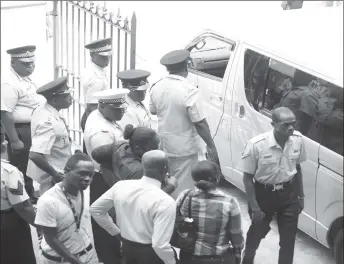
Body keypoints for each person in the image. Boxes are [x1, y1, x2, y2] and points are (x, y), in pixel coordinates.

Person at [238, 107, 308, 264]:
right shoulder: (256, 145)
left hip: (289, 194)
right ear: (273, 124)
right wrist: (255, 207)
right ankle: (247, 258)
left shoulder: (298, 140)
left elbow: (297, 168)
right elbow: (247, 178)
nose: (291, 128)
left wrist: (301, 196)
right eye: (285, 125)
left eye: (293, 124)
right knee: (257, 232)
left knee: (288, 240)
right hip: (264, 195)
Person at [150, 49, 219, 199]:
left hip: (165, 142)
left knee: (168, 178)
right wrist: (211, 145)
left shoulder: (156, 86)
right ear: (186, 66)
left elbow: (153, 110)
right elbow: (200, 122)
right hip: (185, 147)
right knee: (183, 185)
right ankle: (178, 213)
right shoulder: (189, 90)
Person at [90, 150, 178, 264]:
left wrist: (117, 233)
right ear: (166, 169)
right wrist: (172, 260)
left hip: (127, 249)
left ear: (143, 165)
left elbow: (95, 209)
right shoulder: (165, 201)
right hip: (152, 255)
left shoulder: (121, 186)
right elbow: (160, 245)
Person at [83, 88, 128, 264]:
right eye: (118, 109)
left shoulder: (101, 115)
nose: (122, 112)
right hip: (107, 179)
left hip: (107, 176)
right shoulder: (100, 132)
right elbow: (107, 164)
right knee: (109, 224)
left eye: (123, 109)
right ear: (102, 106)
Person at [1, 45, 46, 203]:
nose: (31, 67)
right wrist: (14, 139)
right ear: (14, 63)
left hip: (30, 127)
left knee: (29, 163)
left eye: (32, 63)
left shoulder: (26, 78)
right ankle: (21, 198)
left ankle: (29, 192)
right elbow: (5, 112)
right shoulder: (9, 83)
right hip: (20, 129)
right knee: (20, 164)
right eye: (27, 64)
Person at [35, 153, 98, 264]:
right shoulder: (48, 201)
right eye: (82, 174)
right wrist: (74, 261)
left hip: (88, 255)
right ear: (66, 171)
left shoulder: (87, 191)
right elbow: (51, 238)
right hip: (59, 260)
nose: (88, 179)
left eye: (91, 175)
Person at [176, 160, 244, 264]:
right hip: (219, 259)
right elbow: (236, 235)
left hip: (189, 257)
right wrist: (238, 255)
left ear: (194, 178)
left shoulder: (184, 196)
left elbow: (175, 220)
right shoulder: (229, 202)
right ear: (217, 177)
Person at [91, 124, 178, 193]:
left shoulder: (121, 146)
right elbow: (147, 201)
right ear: (138, 147)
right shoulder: (138, 171)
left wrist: (109, 170)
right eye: (152, 149)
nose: (157, 150)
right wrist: (170, 187)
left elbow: (96, 154)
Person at [27, 76, 73, 195]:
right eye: (67, 96)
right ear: (54, 100)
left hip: (56, 171)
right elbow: (35, 154)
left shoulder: (45, 110)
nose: (71, 98)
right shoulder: (48, 122)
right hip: (54, 178)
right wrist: (55, 174)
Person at [1, 126, 38, 264]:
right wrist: (41, 226)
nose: (5, 142)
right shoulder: (8, 172)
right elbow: (23, 206)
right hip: (8, 222)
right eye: (2, 139)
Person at [80, 38, 112, 153]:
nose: (107, 59)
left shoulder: (99, 70)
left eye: (109, 56)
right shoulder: (94, 76)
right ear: (92, 55)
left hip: (95, 115)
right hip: (93, 116)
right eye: (103, 57)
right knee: (94, 154)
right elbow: (92, 106)